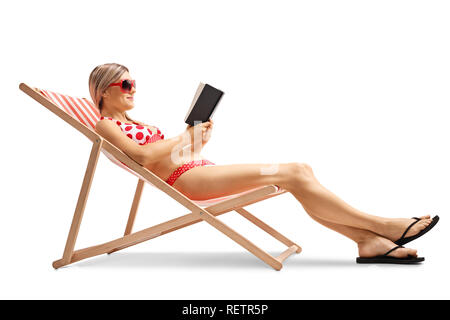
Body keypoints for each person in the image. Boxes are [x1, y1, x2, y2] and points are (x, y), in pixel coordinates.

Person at [91, 63, 439, 264]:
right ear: (104, 91)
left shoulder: (140, 125)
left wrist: (196, 140)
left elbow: (170, 154)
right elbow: (144, 157)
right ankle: (384, 226)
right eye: (125, 83)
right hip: (188, 181)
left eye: (133, 82)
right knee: (296, 171)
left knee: (300, 175)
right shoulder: (106, 125)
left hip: (195, 168)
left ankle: (367, 242)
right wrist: (184, 138)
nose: (133, 88)